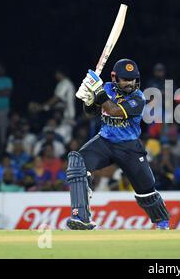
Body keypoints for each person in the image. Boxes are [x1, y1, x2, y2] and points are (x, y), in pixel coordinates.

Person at [68, 59, 170, 230]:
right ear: (115, 78)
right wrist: (87, 99)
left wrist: (98, 91)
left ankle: (162, 222)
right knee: (76, 161)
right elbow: (91, 113)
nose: (129, 83)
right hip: (105, 141)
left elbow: (113, 110)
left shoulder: (139, 98)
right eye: (125, 79)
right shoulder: (107, 88)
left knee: (146, 190)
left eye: (132, 79)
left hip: (129, 147)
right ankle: (81, 217)